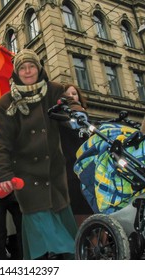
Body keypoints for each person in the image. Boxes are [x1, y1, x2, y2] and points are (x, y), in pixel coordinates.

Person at [0, 49, 85, 260]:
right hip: (26, 175)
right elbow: (0, 143)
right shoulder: (6, 104)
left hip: (54, 171)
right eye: (22, 68)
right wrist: (1, 174)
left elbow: (70, 103)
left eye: (31, 66)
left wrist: (77, 112)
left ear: (39, 68)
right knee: (46, 227)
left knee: (61, 220)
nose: (27, 71)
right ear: (16, 73)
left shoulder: (53, 90)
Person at [61, 84, 93, 226]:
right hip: (73, 172)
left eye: (74, 94)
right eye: (67, 95)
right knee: (82, 215)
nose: (72, 97)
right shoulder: (61, 119)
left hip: (91, 170)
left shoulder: (86, 119)